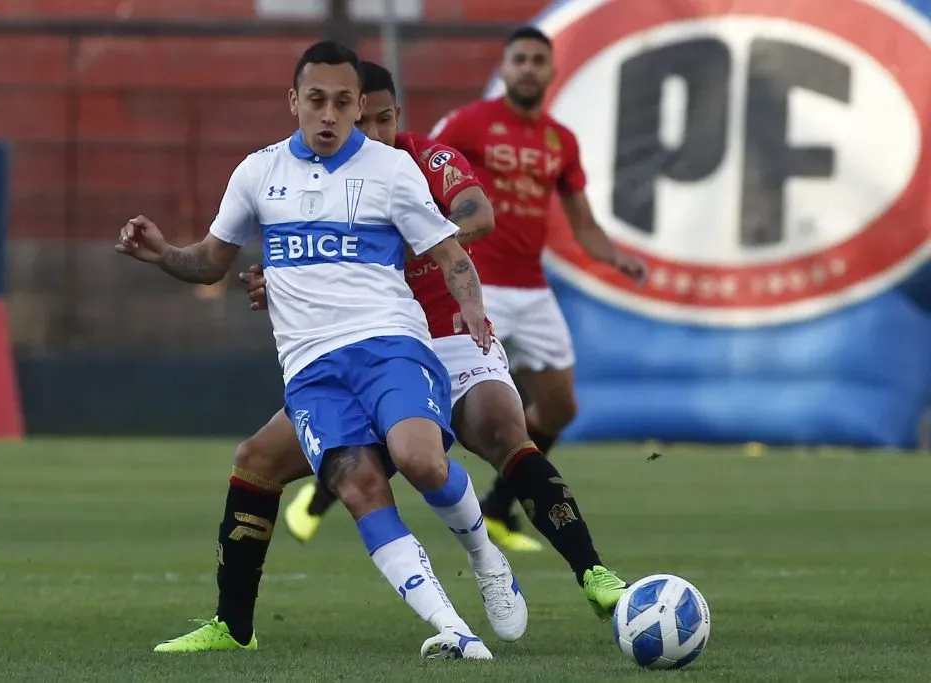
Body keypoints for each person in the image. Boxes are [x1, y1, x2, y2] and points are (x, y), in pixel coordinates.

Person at [117, 41, 524, 660]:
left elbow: (448, 251)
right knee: (350, 483)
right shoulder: (257, 173)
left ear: (360, 107)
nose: (328, 115)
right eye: (316, 101)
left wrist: (469, 304)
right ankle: (453, 629)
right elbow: (208, 263)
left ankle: (484, 556)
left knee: (420, 459)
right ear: (294, 102)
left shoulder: (391, 171)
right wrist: (161, 253)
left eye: (342, 103)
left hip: (390, 346)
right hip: (312, 371)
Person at [272, 58, 626, 610]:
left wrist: (419, 237)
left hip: (449, 335)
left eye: (384, 119)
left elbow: (478, 213)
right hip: (363, 347)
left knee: (507, 431)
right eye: (361, 122)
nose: (375, 135)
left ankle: (594, 574)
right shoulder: (303, 178)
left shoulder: (426, 158)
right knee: (262, 460)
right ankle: (236, 614)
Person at [429, 27, 647, 551]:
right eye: (519, 59)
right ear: (504, 69)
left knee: (560, 408)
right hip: (480, 285)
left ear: (551, 72)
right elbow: (421, 171)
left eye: (537, 60)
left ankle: (499, 503)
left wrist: (615, 256)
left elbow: (583, 221)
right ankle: (335, 489)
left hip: (533, 289)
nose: (527, 68)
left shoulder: (560, 141)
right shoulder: (467, 123)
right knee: (461, 407)